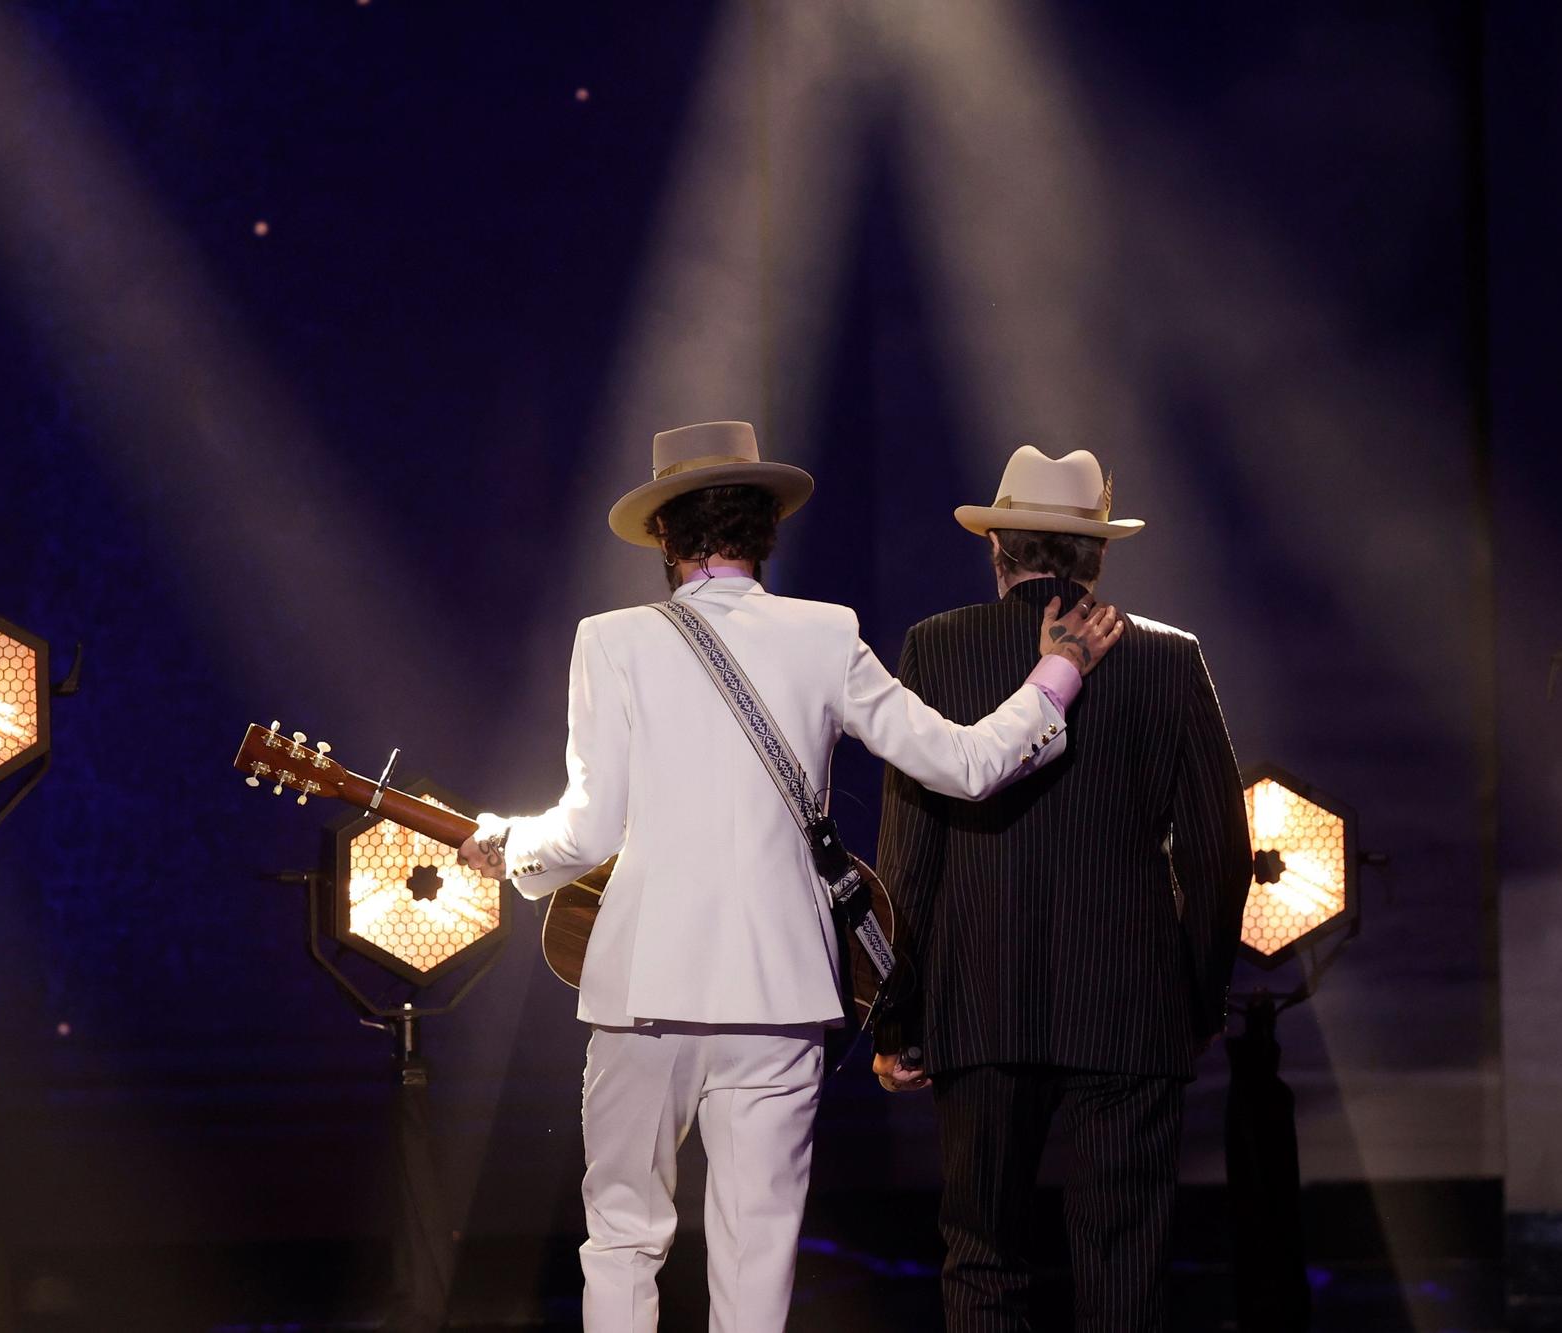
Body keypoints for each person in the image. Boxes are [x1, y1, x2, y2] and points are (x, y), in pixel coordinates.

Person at [457, 421, 1124, 1333]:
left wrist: (511, 845)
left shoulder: (609, 640)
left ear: (665, 535)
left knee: (621, 1236)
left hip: (644, 989)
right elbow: (967, 765)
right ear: (765, 529)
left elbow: (586, 831)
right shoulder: (824, 633)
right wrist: (1056, 674)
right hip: (778, 993)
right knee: (757, 1246)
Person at [870, 444, 1251, 1332]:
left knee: (983, 1260)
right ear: (1099, 554)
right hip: (1129, 1013)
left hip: (977, 1006)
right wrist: (1191, 1000)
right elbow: (1219, 852)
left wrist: (898, 1012)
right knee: (1125, 1269)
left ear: (997, 547)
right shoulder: (1169, 659)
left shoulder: (938, 647)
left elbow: (907, 850)